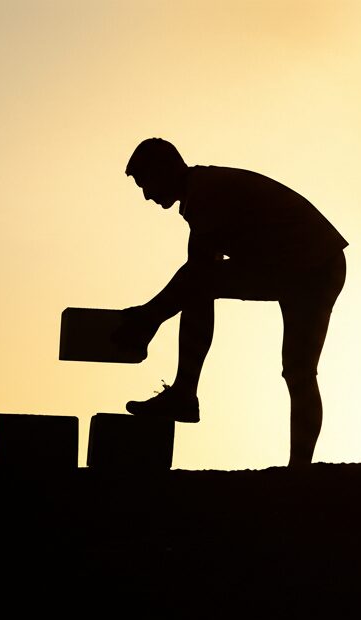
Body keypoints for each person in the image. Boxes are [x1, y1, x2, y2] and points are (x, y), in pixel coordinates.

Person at [115, 138, 348, 467]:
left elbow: (196, 272)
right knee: (296, 369)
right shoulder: (202, 193)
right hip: (294, 265)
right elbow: (196, 276)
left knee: (299, 370)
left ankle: (299, 470)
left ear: (164, 170)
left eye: (145, 183)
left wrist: (147, 318)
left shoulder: (206, 193)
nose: (147, 195)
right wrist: (149, 317)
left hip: (313, 266)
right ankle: (185, 393)